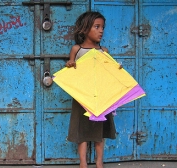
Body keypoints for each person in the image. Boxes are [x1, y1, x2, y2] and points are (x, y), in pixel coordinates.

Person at [65, 11, 116, 168]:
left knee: (99, 131)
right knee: (82, 130)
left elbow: (108, 73)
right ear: (85, 29)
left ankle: (99, 162)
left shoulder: (103, 51)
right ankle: (83, 164)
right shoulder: (77, 49)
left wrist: (116, 68)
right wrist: (70, 65)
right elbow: (70, 69)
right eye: (97, 26)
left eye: (102, 27)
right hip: (82, 97)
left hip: (100, 96)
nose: (101, 30)